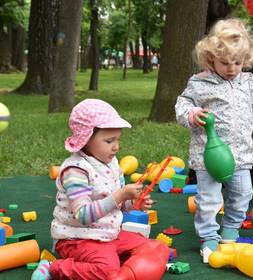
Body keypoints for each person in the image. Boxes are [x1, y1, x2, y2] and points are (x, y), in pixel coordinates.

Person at [31, 99, 169, 280]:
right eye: (109, 141)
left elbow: (117, 204)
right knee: (108, 271)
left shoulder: (111, 162)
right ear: (86, 139)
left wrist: (132, 202)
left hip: (108, 234)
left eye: (118, 139)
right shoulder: (75, 171)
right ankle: (53, 267)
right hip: (77, 239)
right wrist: (120, 195)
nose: (116, 146)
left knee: (155, 247)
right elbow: (83, 215)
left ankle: (119, 270)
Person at [175, 18, 253, 258]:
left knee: (243, 194)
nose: (231, 68)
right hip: (208, 156)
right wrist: (192, 113)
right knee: (208, 199)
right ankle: (208, 236)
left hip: (240, 155)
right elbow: (183, 102)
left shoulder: (247, 82)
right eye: (225, 63)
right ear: (211, 59)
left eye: (237, 63)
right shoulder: (200, 83)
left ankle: (230, 230)